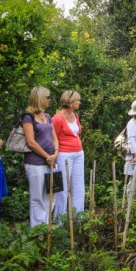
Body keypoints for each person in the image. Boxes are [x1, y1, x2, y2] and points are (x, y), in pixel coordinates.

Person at [22, 87, 59, 227]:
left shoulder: (48, 116)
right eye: (47, 97)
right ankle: (38, 230)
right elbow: (31, 142)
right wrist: (47, 156)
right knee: (37, 197)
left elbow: (54, 138)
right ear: (40, 99)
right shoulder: (28, 117)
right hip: (35, 163)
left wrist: (55, 153)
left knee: (51, 195)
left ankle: (46, 226)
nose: (49, 100)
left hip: (51, 162)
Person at [52, 90, 84, 219]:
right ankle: (60, 220)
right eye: (77, 100)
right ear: (70, 102)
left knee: (78, 186)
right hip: (64, 155)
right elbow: (53, 138)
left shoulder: (75, 115)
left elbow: (77, 133)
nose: (79, 102)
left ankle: (78, 218)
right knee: (63, 188)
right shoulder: (57, 118)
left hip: (78, 154)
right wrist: (54, 155)